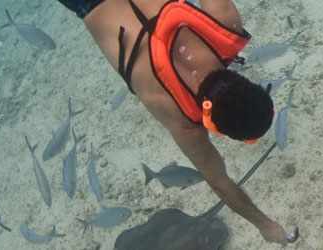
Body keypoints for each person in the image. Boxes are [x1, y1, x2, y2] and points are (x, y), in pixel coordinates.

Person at [57, 0, 295, 244]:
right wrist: (264, 225)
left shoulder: (227, 24)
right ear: (212, 124)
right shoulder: (180, 119)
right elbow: (220, 183)